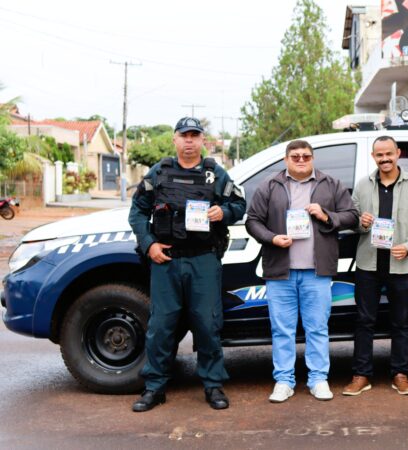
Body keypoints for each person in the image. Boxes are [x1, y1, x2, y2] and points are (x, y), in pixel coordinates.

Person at [128, 117, 246, 412]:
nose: (189, 141)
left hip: (204, 260)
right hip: (166, 262)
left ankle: (213, 384)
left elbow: (240, 204)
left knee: (208, 325)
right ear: (175, 140)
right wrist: (150, 244)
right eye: (184, 135)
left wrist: (224, 212)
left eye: (195, 135)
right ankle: (154, 387)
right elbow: (137, 212)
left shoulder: (214, 174)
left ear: (202, 140)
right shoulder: (159, 172)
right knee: (161, 327)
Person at [245, 140, 358, 403]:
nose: (300, 160)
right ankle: (284, 381)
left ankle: (318, 379)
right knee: (281, 329)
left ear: (313, 159)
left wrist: (326, 215)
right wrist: (272, 238)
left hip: (317, 272)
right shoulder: (270, 185)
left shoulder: (330, 184)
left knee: (317, 328)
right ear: (286, 160)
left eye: (306, 156)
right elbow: (252, 220)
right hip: (280, 271)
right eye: (295, 156)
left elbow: (352, 215)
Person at [344, 136, 408, 397]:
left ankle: (401, 374)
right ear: (373, 157)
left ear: (398, 153)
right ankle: (361, 375)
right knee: (364, 321)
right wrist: (362, 223)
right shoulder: (362, 185)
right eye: (379, 155)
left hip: (401, 264)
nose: (385, 159)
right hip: (368, 263)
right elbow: (353, 220)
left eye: (389, 154)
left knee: (401, 322)